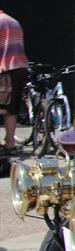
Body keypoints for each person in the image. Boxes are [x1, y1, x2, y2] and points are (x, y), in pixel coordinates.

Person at [0, 9, 28, 154]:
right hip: (19, 67)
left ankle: (9, 144)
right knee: (11, 109)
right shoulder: (13, 21)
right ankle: (10, 142)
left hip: (5, 68)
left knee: (3, 106)